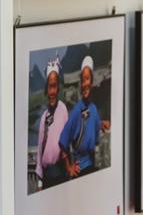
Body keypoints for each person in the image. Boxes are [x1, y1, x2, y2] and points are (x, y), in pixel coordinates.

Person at [59, 56, 111, 178]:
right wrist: (69, 167)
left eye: (87, 79)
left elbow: (94, 123)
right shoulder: (76, 111)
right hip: (80, 171)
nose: (85, 83)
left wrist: (102, 123)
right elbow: (63, 141)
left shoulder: (92, 108)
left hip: (94, 165)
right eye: (83, 80)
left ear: (92, 82)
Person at [35, 58, 69, 189]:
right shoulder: (43, 118)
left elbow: (67, 142)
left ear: (58, 88)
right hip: (47, 178)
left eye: (54, 86)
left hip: (60, 175)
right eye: (50, 87)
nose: (52, 92)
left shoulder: (63, 109)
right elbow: (39, 153)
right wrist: (39, 182)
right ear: (46, 89)